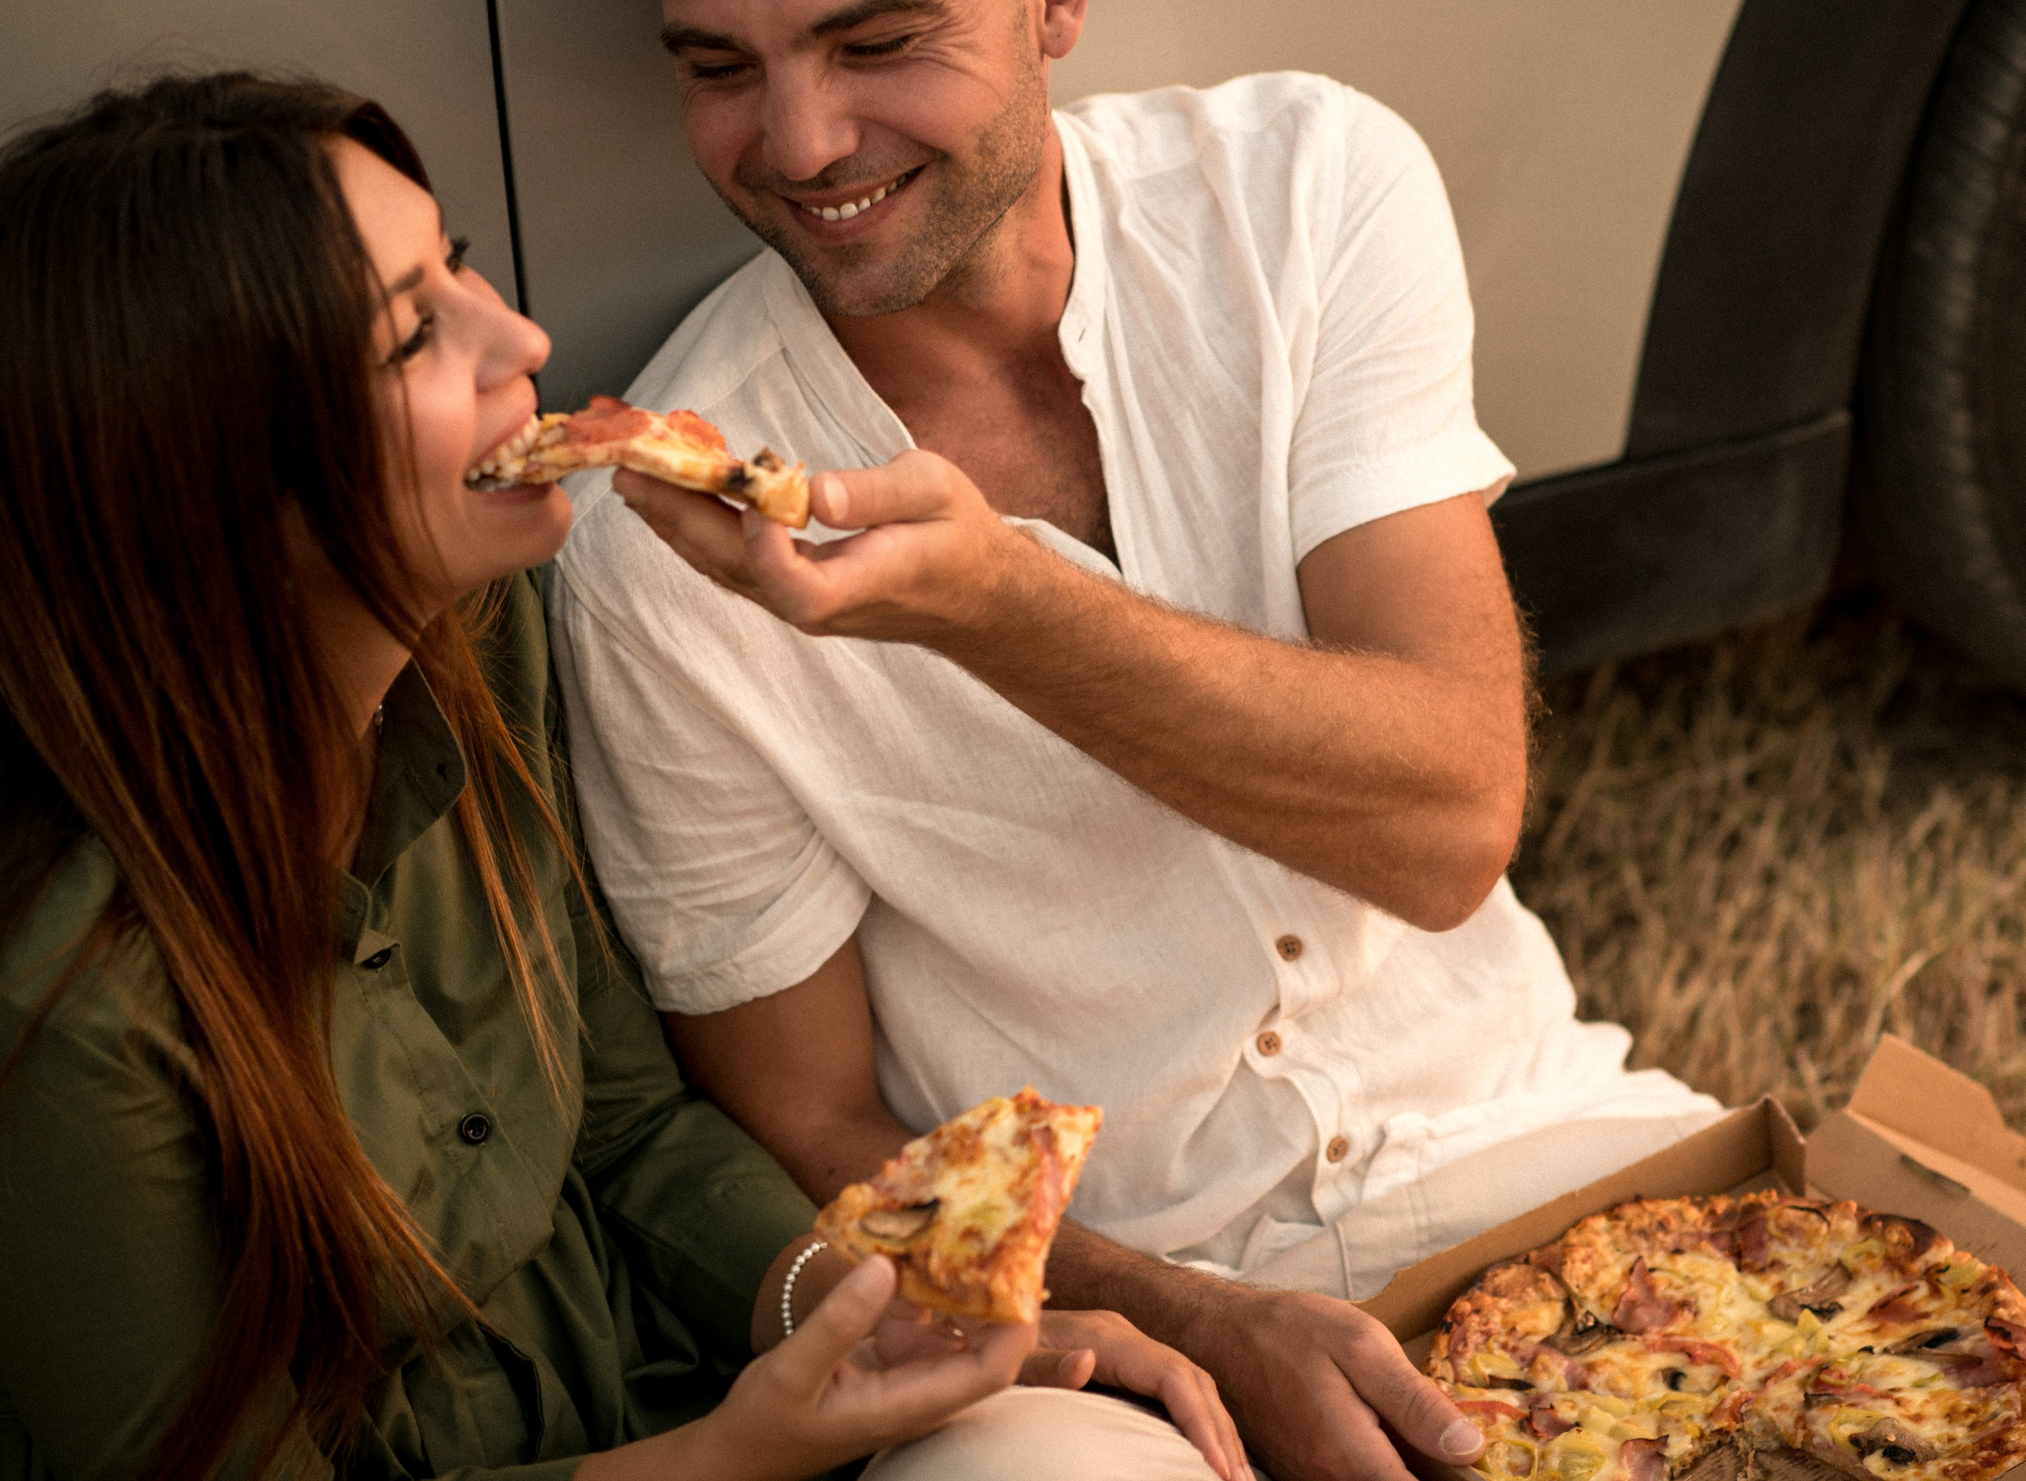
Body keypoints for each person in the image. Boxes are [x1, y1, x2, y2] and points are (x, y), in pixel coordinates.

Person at [549, 0, 1729, 1477]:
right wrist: (1189, 1315)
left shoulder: (1309, 192)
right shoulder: (656, 547)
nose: (799, 143)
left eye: (874, 41)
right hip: (1102, 1334)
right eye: (719, 67)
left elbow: (1451, 817)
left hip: (1532, 1145)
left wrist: (995, 610)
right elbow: (803, 1117)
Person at [0, 72, 1215, 1481]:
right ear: (205, 476)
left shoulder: (481, 643)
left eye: (458, 264)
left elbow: (631, 1133)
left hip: (694, 1396)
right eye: (414, 338)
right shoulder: (68, 1002)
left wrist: (852, 1310)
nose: (523, 337)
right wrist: (731, 1460)